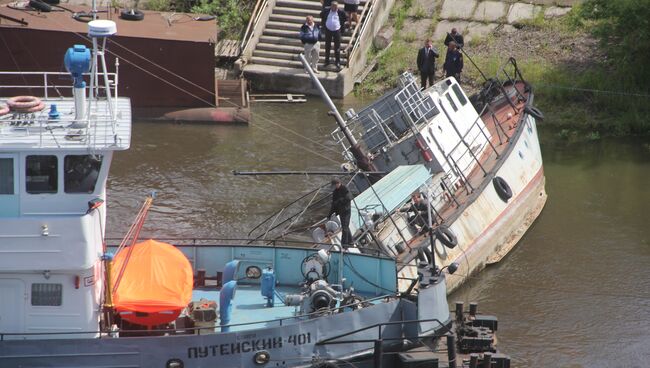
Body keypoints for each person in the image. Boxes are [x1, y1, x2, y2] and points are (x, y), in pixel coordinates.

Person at [320, 1, 347, 71]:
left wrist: (340, 25)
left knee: (337, 47)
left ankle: (337, 61)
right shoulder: (326, 10)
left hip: (337, 30)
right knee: (327, 46)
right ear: (331, 6)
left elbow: (345, 18)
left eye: (336, 7)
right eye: (333, 7)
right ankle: (326, 61)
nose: (334, 8)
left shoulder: (341, 12)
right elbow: (321, 15)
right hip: (328, 30)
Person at [328, 177, 353, 246]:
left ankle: (344, 244)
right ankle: (351, 241)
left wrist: (339, 200)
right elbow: (333, 204)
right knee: (345, 226)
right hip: (340, 211)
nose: (334, 187)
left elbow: (349, 198)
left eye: (335, 185)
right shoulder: (335, 192)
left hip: (346, 211)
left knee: (344, 228)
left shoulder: (345, 189)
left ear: (338, 183)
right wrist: (330, 214)